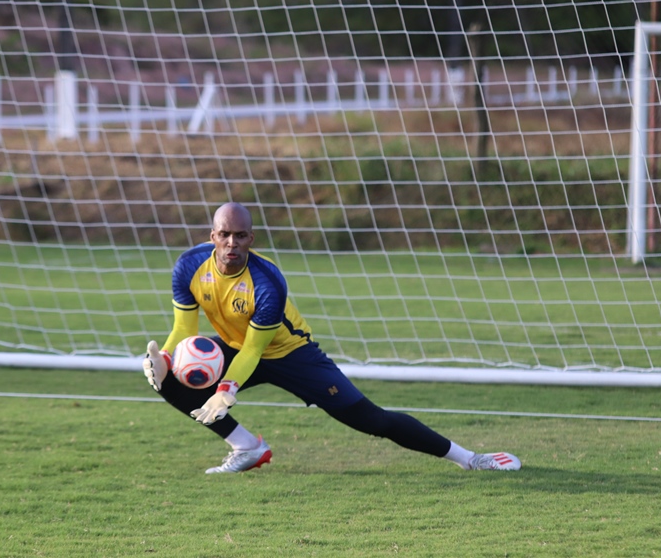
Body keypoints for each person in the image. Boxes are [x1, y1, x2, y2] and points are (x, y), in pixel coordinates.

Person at [143, 202, 521, 474]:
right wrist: (167, 357)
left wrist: (227, 388)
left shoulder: (267, 282)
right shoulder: (189, 266)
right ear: (213, 236)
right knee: (166, 379)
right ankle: (247, 447)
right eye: (224, 235)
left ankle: (470, 458)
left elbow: (257, 348)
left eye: (240, 236)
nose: (231, 243)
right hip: (237, 348)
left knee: (372, 420)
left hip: (291, 355)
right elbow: (184, 331)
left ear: (251, 238)